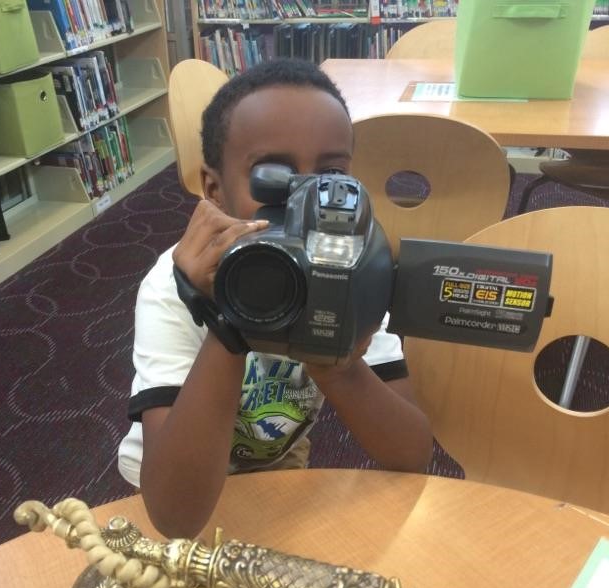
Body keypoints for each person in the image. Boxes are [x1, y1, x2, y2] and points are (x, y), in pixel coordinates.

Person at [117, 58, 433, 538]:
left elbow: (411, 454)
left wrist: (339, 363)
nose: (305, 198)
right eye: (273, 179)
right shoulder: (173, 287)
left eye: (331, 176)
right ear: (214, 190)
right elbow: (175, 516)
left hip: (282, 462)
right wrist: (227, 322)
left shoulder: (354, 273)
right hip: (172, 468)